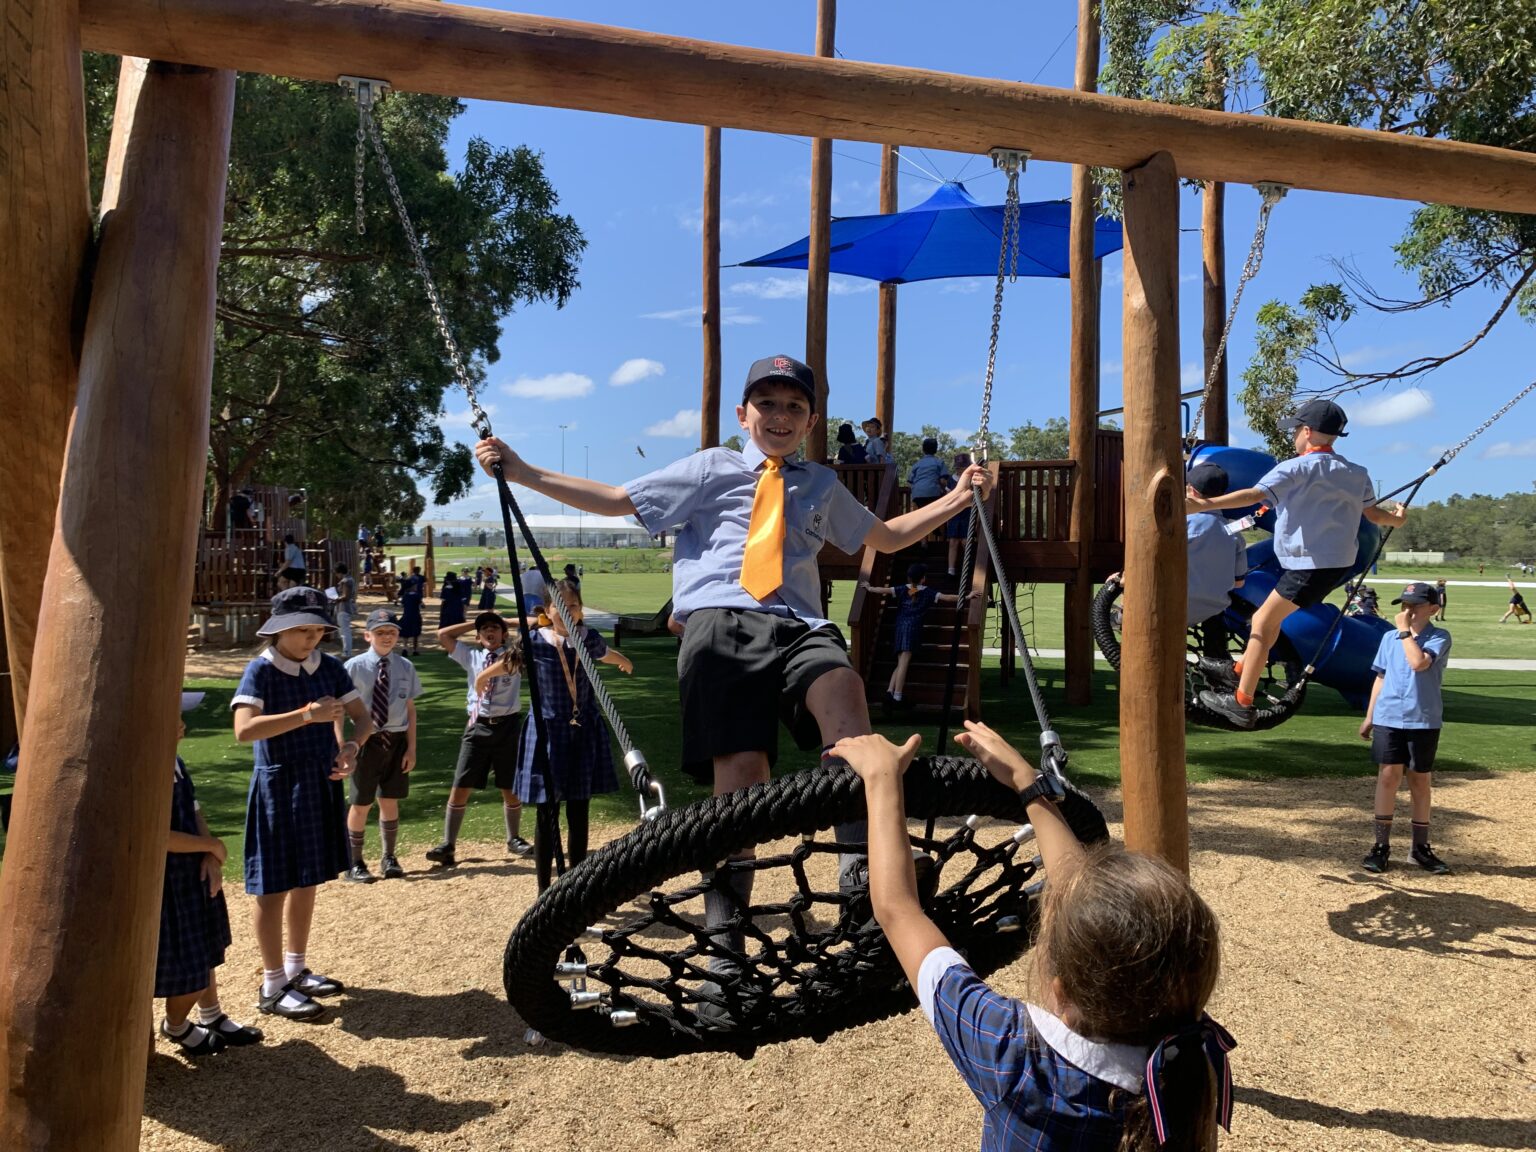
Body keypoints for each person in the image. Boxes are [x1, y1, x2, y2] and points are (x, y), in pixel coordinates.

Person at [473, 353, 992, 969]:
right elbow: (615, 499)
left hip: (800, 624)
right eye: (767, 404)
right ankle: (726, 949)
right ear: (743, 414)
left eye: (794, 407)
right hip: (721, 621)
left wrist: (960, 499)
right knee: (743, 776)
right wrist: (524, 470)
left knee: (849, 705)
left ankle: (862, 891)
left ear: (812, 420)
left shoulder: (820, 483)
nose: (780, 415)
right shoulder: (710, 468)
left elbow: (886, 536)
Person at [834, 724, 1233, 1152]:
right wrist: (1029, 786)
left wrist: (879, 778)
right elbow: (1077, 900)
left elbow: (898, 910)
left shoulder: (1018, 1061)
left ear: (1058, 992)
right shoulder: (1190, 1059)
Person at [1186, 398, 1407, 729]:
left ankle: (1240, 703)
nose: (1293, 438)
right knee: (1269, 623)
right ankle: (1237, 671)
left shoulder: (1295, 468)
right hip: (1334, 565)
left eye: (1295, 432)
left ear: (1307, 432)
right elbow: (1374, 516)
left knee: (1262, 623)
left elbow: (1252, 496)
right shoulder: (1356, 473)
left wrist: (1202, 505)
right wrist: (1398, 520)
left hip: (1307, 565)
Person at [232, 586, 372, 1021]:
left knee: (307, 881)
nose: (312, 638)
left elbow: (362, 718)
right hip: (278, 786)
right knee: (271, 887)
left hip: (318, 783)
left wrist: (350, 749)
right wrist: (306, 715)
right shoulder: (260, 671)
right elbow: (244, 731)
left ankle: (295, 967)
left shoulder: (329, 667)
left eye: (317, 630)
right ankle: (272, 984)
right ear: (278, 631)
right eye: (302, 630)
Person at [506, 578, 633, 892]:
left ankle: (576, 887)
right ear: (548, 610)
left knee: (579, 809)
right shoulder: (535, 640)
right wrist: (483, 677)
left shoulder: (589, 639)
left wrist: (623, 661)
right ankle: (544, 890)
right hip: (549, 734)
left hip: (583, 732)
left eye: (573, 605)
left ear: (580, 608)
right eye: (560, 606)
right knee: (547, 812)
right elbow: (507, 664)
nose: (567, 610)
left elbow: (606, 655)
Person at [156, 691, 264, 1055]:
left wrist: (210, 853)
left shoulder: (176, 761)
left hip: (191, 874)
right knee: (189, 964)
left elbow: (194, 807)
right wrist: (209, 846)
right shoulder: (147, 768)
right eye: (175, 717)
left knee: (206, 948)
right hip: (167, 882)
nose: (183, 725)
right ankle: (176, 1025)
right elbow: (156, 836)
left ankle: (211, 1015)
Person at [425, 610, 533, 867]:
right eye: (484, 629)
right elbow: (443, 634)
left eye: (494, 628)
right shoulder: (471, 656)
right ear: (478, 636)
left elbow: (537, 624)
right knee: (461, 785)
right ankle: (448, 844)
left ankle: (514, 838)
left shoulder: (514, 656)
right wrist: (474, 624)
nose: (490, 631)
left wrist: (506, 621)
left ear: (504, 634)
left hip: (507, 727)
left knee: (510, 786)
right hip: (478, 726)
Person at [1360, 582, 1453, 874]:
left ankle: (1419, 848)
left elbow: (1418, 663)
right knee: (1388, 777)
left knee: (1419, 780)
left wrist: (1405, 632)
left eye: (1415, 605)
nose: (1407, 610)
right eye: (1404, 604)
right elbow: (1381, 677)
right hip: (1389, 716)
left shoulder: (1439, 636)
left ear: (1433, 609)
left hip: (1422, 718)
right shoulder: (1389, 638)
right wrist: (1369, 716)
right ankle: (1380, 846)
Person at [338, 610, 422, 883]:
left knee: (390, 800)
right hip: (365, 741)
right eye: (380, 632)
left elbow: (410, 710)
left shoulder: (405, 667)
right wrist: (342, 745)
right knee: (361, 802)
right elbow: (338, 710)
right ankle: (355, 861)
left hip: (396, 740)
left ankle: (389, 857)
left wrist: (411, 749)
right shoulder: (353, 667)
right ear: (367, 636)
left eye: (392, 632)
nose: (387, 637)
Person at [861, 562, 960, 710]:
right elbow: (947, 597)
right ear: (923, 579)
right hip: (913, 629)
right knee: (904, 663)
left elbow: (884, 590)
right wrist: (967, 596)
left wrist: (870, 588)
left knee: (901, 661)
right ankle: (898, 696)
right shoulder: (927, 592)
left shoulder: (903, 589)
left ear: (909, 578)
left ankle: (890, 691)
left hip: (900, 627)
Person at [1182, 463, 1248, 627]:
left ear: (1192, 491)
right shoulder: (1233, 531)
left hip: (1172, 603)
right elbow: (1239, 582)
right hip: (1213, 609)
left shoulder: (1182, 523)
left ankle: (1120, 617)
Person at [942, 451, 974, 576]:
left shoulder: (971, 480)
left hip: (967, 512)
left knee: (966, 541)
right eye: (959, 467)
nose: (961, 470)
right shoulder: (952, 480)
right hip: (954, 514)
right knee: (953, 542)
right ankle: (951, 569)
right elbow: (948, 496)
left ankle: (968, 566)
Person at [908, 437, 949, 509]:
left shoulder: (917, 464)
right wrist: (943, 490)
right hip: (933, 493)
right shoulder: (939, 463)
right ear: (935, 449)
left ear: (923, 449)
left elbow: (910, 482)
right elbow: (943, 481)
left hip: (917, 495)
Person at [398, 564, 426, 654]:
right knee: (415, 633)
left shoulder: (405, 596)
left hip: (406, 615)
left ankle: (405, 648)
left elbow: (402, 605)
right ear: (412, 587)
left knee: (405, 633)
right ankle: (415, 650)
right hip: (415, 615)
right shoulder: (417, 596)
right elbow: (422, 605)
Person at [331, 563, 357, 659]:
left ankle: (347, 651)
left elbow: (345, 596)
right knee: (344, 631)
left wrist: (335, 598)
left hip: (343, 608)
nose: (336, 575)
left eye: (336, 573)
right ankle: (346, 650)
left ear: (340, 572)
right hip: (345, 608)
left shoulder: (346, 581)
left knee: (344, 631)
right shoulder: (350, 579)